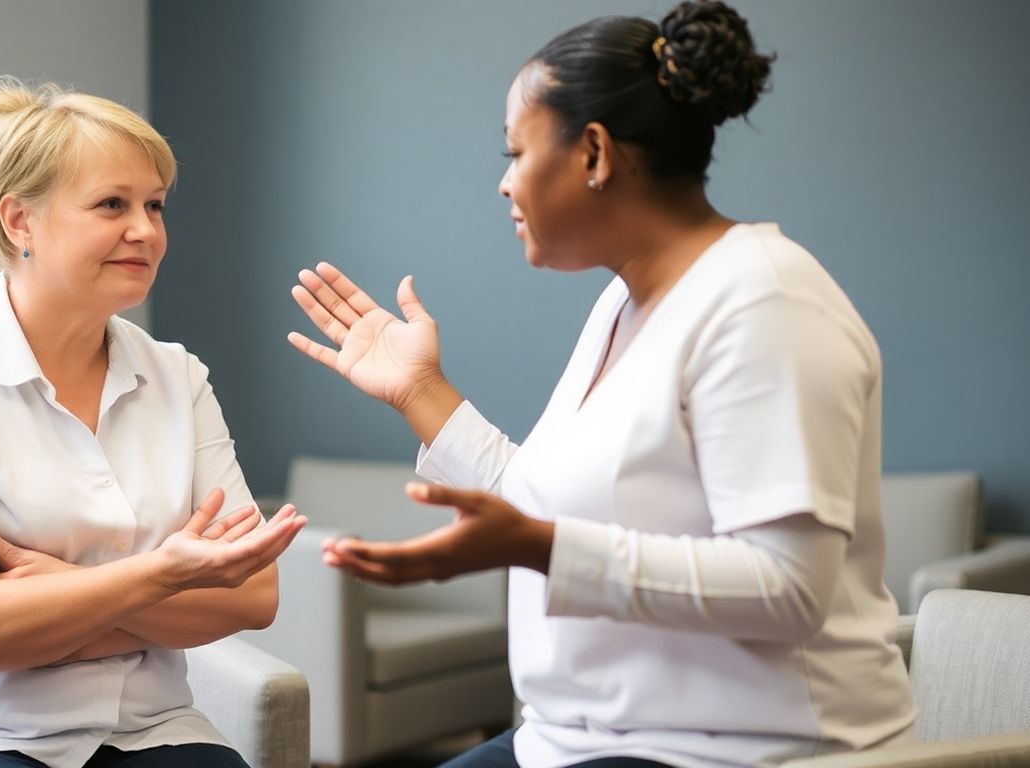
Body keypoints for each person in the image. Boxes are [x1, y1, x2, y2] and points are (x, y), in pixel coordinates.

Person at [287, 3, 915, 767]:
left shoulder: (765, 300)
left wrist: (543, 549)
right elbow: (544, 502)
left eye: (515, 152)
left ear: (594, 152)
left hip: (738, 754)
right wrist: (420, 390)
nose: (504, 183)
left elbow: (789, 588)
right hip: (576, 742)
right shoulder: (624, 302)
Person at [0, 77, 306, 768]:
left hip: (145, 725)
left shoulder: (178, 376)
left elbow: (253, 596)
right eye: (112, 204)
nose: (145, 229)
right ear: (20, 222)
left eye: (154, 205)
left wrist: (51, 584)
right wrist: (161, 578)